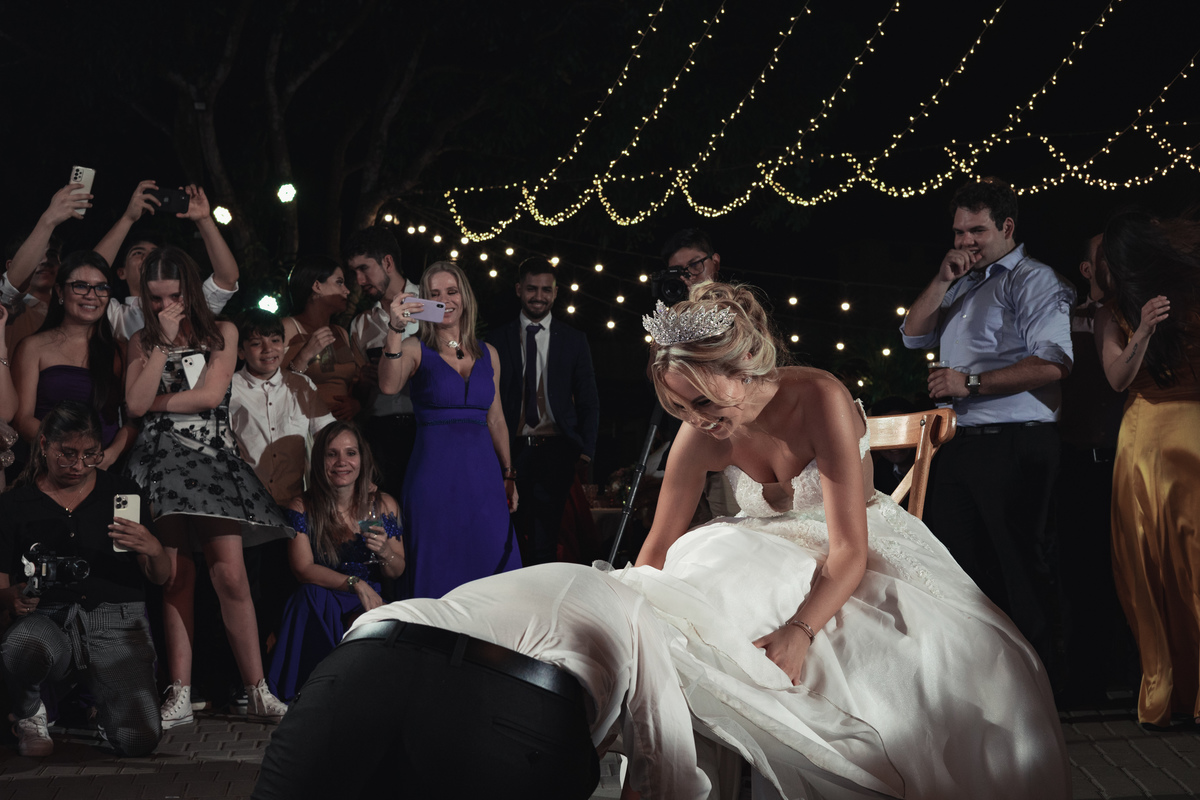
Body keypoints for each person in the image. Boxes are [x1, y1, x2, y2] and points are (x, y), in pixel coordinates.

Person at [622, 283, 1069, 799]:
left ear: (744, 364)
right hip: (761, 561)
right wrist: (632, 619)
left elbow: (849, 551)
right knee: (689, 593)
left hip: (850, 549)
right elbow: (657, 547)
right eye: (679, 408)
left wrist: (800, 631)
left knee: (944, 662)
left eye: (702, 401)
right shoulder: (699, 432)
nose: (696, 420)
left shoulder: (819, 397)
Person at [252, 563, 710, 800]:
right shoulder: (640, 611)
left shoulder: (518, 583)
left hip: (363, 659)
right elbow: (668, 774)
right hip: (508, 707)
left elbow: (426, 682)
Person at [900, 177, 1075, 657]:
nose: (965, 242)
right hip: (957, 443)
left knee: (1021, 570)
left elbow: (1054, 363)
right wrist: (941, 280)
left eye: (977, 230)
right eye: (959, 232)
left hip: (1014, 442)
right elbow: (912, 335)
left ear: (1007, 227)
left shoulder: (1034, 279)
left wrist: (970, 383)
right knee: (963, 569)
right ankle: (992, 675)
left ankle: (1046, 680)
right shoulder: (961, 282)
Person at [123, 246, 290, 729]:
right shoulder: (141, 340)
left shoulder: (223, 332)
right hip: (162, 461)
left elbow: (211, 395)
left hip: (213, 460)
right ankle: (179, 692)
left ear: (191, 291)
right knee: (177, 576)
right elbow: (133, 404)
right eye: (155, 298)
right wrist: (161, 344)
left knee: (231, 576)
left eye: (173, 296)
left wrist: (154, 403)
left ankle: (257, 691)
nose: (164, 306)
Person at [0, 402, 169, 757]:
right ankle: (28, 712)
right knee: (23, 643)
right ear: (44, 444)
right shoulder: (17, 503)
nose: (79, 465)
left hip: (116, 623)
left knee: (140, 741)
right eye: (67, 454)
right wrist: (9, 596)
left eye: (90, 454)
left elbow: (160, 577)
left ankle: (107, 707)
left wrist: (153, 549)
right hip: (48, 620)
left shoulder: (121, 493)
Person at [1095, 210, 1200, 729]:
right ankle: (1166, 690)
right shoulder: (1111, 312)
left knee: (1192, 562)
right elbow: (1117, 378)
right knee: (1146, 565)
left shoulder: (1191, 300)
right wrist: (1142, 333)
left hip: (1192, 437)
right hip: (1141, 439)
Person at [380, 260, 521, 598]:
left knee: (494, 568)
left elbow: (496, 419)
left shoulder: (489, 353)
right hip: (434, 480)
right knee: (439, 571)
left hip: (485, 480)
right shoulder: (414, 348)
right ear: (422, 301)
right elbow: (388, 385)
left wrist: (509, 473)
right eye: (434, 294)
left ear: (464, 297)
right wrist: (395, 329)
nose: (444, 300)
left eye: (452, 291)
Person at [266, 421, 404, 703]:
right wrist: (355, 583)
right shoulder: (302, 506)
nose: (342, 462)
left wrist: (385, 551)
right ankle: (315, 687)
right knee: (309, 594)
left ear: (362, 459)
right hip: (324, 597)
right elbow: (303, 569)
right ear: (319, 461)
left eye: (350, 453)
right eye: (332, 454)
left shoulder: (382, 504)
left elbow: (396, 570)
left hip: (368, 599)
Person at [1056, 233, 1131, 706]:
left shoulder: (1141, 315)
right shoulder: (1068, 319)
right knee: (1082, 573)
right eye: (1105, 255)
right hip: (1080, 459)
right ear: (1087, 270)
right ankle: (1087, 682)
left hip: (1134, 458)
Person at [487, 257, 600, 565]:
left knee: (547, 539)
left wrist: (585, 452)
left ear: (556, 292)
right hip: (511, 451)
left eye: (546, 289)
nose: (539, 296)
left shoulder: (574, 340)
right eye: (532, 289)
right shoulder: (496, 340)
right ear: (518, 289)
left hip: (556, 450)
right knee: (508, 535)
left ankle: (541, 592)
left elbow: (589, 400)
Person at [13, 252, 136, 468]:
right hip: (48, 466)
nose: (91, 295)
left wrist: (108, 457)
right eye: (80, 286)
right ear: (60, 291)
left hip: (104, 468)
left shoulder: (121, 350)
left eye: (101, 288)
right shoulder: (32, 347)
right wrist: (64, 453)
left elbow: (133, 421)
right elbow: (22, 419)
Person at [93, 181, 239, 340]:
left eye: (153, 254)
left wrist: (204, 219)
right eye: (138, 253)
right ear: (122, 272)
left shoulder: (191, 308)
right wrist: (128, 218)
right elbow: (88, 275)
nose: (147, 258)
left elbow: (227, 279)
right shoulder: (116, 315)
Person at [229, 309, 336, 506]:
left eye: (275, 340)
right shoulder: (230, 388)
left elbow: (329, 433)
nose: (268, 349)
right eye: (256, 343)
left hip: (294, 502)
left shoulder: (301, 385)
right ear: (241, 351)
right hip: (249, 503)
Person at [345, 226, 420, 499]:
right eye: (354, 272)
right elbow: (357, 394)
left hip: (424, 427)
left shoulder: (431, 305)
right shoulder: (362, 324)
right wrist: (363, 382)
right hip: (378, 434)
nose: (359, 279)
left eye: (364, 268)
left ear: (387, 262)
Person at [280, 255, 361, 421]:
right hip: (306, 424)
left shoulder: (340, 332)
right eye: (339, 282)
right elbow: (274, 385)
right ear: (317, 286)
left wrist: (355, 404)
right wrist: (305, 355)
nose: (346, 290)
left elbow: (350, 386)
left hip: (342, 427)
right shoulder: (287, 327)